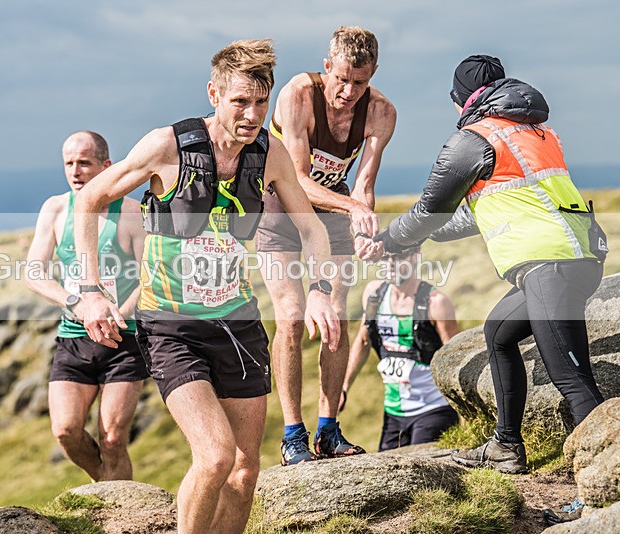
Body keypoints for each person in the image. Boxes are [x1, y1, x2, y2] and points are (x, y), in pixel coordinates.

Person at [73, 40, 340, 534]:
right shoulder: (167, 146)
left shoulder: (268, 153)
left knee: (244, 470)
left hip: (237, 323)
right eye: (240, 101)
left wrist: (322, 288)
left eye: (261, 102)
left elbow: (312, 229)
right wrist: (90, 291)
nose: (252, 113)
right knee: (215, 457)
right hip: (171, 326)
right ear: (213, 93)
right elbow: (89, 199)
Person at [373, 54, 607, 474]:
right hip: (575, 257)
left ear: (460, 98)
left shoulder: (473, 139)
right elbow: (470, 216)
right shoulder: (535, 131)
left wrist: (390, 238)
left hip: (548, 265)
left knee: (571, 378)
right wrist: (418, 235)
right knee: (498, 332)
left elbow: (430, 209)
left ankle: (604, 485)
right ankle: (506, 446)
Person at [256, 26, 397, 464]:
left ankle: (328, 429)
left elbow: (366, 185)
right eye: (342, 79)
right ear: (326, 68)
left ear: (373, 74)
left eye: (361, 81)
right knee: (293, 319)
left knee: (336, 318)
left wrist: (362, 228)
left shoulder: (381, 113)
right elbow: (297, 179)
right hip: (279, 211)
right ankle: (292, 435)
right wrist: (354, 207)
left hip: (333, 216)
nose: (349, 91)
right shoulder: (297, 95)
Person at [24, 131, 147, 481]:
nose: (75, 171)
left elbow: (150, 276)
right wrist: (76, 303)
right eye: (69, 163)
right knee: (65, 431)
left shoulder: (130, 212)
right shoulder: (56, 209)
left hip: (123, 339)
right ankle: (107, 485)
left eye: (84, 163)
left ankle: (121, 510)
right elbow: (34, 273)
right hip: (74, 337)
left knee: (112, 439)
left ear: (106, 166)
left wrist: (118, 315)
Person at [340, 247, 460, 450]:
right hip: (393, 413)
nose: (390, 263)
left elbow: (455, 359)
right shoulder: (374, 295)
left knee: (422, 476)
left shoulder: (436, 303)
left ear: (414, 257)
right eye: (385, 258)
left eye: (397, 256)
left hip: (434, 409)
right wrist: (343, 388)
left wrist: (467, 415)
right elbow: (363, 340)